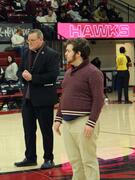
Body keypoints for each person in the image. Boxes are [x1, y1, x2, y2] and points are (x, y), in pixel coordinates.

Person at [54, 38, 104, 180]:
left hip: (84, 121)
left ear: (78, 53)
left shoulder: (93, 73)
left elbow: (98, 100)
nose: (66, 54)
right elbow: (64, 97)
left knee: (88, 161)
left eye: (69, 51)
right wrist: (58, 118)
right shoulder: (69, 73)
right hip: (68, 124)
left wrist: (91, 122)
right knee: (75, 162)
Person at [15, 29, 59, 169]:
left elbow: (52, 76)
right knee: (28, 130)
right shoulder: (26, 53)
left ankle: (48, 158)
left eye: (32, 40)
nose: (30, 43)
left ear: (41, 39)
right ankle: (30, 157)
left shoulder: (52, 54)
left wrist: (33, 78)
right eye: (28, 40)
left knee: (46, 131)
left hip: (44, 99)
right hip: (28, 98)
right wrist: (22, 74)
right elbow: (19, 71)